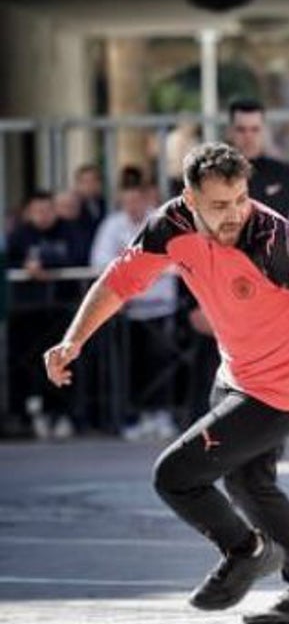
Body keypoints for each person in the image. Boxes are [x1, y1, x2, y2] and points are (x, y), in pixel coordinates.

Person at [43, 142, 289, 624]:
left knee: (175, 475)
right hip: (235, 374)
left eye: (240, 199)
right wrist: (73, 340)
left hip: (287, 387)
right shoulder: (170, 226)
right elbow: (119, 281)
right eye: (219, 205)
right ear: (190, 200)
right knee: (248, 482)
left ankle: (248, 550)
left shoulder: (276, 244)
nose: (235, 213)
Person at [91, 169, 179, 441]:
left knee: (161, 364)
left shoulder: (162, 221)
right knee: (131, 366)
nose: (133, 207)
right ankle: (133, 417)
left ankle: (160, 413)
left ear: (145, 199)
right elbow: (99, 261)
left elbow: (176, 258)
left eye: (137, 201)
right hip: (126, 310)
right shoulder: (112, 225)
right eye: (127, 202)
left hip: (161, 306)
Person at [8, 191, 92, 440]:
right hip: (27, 313)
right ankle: (27, 415)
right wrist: (26, 268)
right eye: (38, 211)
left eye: (47, 210)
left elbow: (78, 256)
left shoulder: (69, 230)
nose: (43, 216)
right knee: (27, 365)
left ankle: (64, 413)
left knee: (65, 361)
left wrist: (44, 265)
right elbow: (10, 262)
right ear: (28, 213)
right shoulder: (20, 235)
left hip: (61, 311)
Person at [71, 163, 106, 239]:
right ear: (77, 185)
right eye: (85, 182)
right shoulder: (72, 208)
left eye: (94, 181)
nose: (90, 185)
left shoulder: (107, 204)